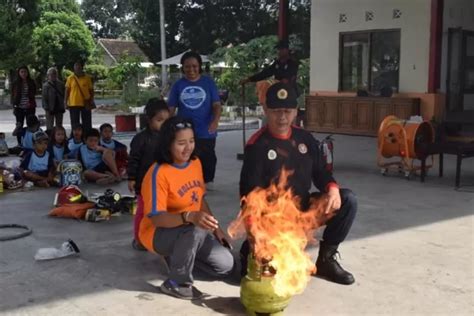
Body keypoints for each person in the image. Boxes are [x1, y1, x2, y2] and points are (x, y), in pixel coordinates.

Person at [239, 82, 357, 285]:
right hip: (271, 221)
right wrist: (255, 235)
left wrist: (332, 188)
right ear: (266, 110)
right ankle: (250, 251)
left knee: (347, 200)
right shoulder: (257, 146)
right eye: (276, 111)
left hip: (302, 213)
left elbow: (321, 173)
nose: (282, 117)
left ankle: (326, 260)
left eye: (287, 111)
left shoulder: (306, 139)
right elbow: (248, 197)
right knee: (254, 276)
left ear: (295, 112)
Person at [140, 116, 234, 300]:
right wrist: (188, 216)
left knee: (225, 266)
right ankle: (176, 283)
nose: (188, 148)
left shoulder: (195, 163)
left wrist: (217, 229)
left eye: (191, 141)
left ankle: (178, 256)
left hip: (191, 228)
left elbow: (200, 200)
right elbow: (156, 218)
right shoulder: (158, 173)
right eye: (181, 143)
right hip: (158, 232)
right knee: (196, 230)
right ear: (168, 144)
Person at [167, 51, 222, 189]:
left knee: (208, 156)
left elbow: (216, 105)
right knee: (185, 154)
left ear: (200, 67)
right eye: (187, 67)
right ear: (183, 68)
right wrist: (166, 125)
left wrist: (215, 121)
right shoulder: (178, 85)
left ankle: (208, 180)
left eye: (194, 66)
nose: (191, 70)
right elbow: (171, 108)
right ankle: (189, 180)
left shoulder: (208, 83)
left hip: (206, 128)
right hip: (185, 129)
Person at [127, 98, 170, 250]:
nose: (163, 124)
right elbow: (133, 160)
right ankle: (139, 239)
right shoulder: (140, 139)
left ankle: (158, 237)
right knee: (143, 212)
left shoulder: (169, 138)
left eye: (166, 120)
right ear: (149, 120)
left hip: (163, 184)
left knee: (161, 212)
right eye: (159, 120)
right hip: (143, 183)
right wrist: (131, 178)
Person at [240, 39, 300, 106]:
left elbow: (291, 76)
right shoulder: (277, 63)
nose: (279, 52)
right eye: (279, 50)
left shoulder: (292, 63)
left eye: (281, 49)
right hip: (277, 90)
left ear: (286, 50)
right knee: (263, 84)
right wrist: (249, 79)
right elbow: (265, 73)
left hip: (289, 91)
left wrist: (286, 80)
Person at [65, 59, 94, 131]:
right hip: (73, 103)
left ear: (82, 68)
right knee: (74, 123)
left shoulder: (87, 78)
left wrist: (91, 100)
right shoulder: (70, 78)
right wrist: (65, 102)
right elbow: (67, 91)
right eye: (76, 67)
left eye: (79, 67)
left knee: (87, 123)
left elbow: (91, 90)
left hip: (85, 103)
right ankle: (75, 136)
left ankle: (87, 136)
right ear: (74, 68)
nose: (78, 68)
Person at [10, 65, 37, 138]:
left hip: (30, 107)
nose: (23, 73)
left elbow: (34, 92)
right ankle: (19, 143)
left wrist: (30, 101)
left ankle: (30, 140)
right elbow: (12, 95)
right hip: (19, 107)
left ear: (27, 72)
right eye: (21, 72)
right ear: (19, 73)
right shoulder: (15, 83)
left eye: (25, 72)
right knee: (19, 126)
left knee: (31, 125)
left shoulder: (31, 82)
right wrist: (14, 106)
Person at [42, 67, 65, 134]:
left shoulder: (60, 84)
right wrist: (46, 108)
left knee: (59, 124)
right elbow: (44, 98)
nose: (53, 75)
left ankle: (59, 137)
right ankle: (50, 138)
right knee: (49, 125)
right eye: (51, 74)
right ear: (48, 75)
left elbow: (64, 94)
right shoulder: (45, 85)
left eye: (54, 74)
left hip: (59, 107)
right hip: (50, 108)